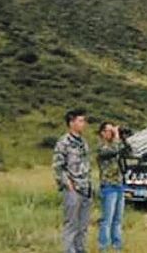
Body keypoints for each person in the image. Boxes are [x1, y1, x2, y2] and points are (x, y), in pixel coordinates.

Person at [53, 108, 92, 253]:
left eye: (84, 121)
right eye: (81, 121)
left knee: (83, 226)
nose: (84, 124)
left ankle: (80, 250)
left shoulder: (83, 142)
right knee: (71, 225)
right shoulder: (64, 142)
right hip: (73, 188)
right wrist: (67, 183)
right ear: (71, 122)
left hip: (85, 188)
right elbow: (58, 166)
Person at [96, 121, 127, 252]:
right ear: (102, 133)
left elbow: (125, 150)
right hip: (108, 186)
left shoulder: (116, 145)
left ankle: (116, 247)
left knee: (117, 220)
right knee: (106, 220)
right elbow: (114, 150)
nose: (112, 133)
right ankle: (102, 247)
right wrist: (117, 137)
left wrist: (123, 138)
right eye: (109, 131)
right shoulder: (101, 147)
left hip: (119, 185)